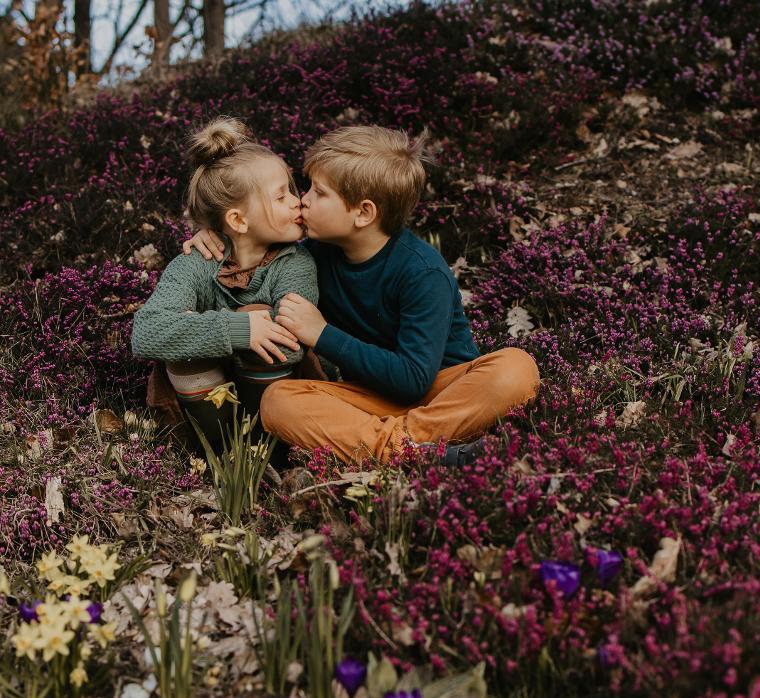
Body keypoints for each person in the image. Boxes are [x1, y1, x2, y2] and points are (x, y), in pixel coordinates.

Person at [183, 125, 539, 465]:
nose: (302, 201)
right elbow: (252, 243)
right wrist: (214, 236)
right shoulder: (313, 257)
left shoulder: (422, 272)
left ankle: (393, 447)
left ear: (363, 213)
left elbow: (414, 381)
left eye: (318, 193)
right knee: (278, 402)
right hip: (365, 400)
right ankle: (418, 449)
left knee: (516, 368)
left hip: (442, 394)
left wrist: (322, 333)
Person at [131, 117, 319, 443]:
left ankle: (265, 453)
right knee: (188, 352)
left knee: (256, 322)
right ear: (237, 219)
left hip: (279, 418)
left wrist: (195, 328)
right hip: (207, 427)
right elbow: (146, 333)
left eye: (292, 190)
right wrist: (239, 330)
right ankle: (224, 455)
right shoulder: (196, 263)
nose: (296, 201)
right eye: (280, 197)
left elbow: (290, 344)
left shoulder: (295, 263)